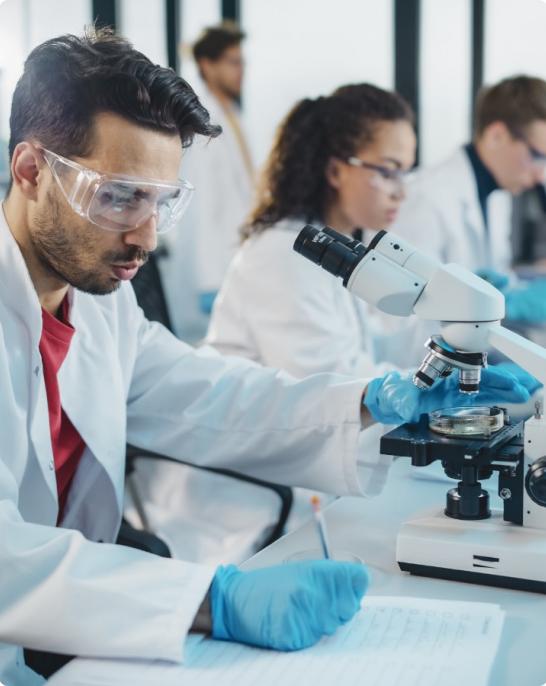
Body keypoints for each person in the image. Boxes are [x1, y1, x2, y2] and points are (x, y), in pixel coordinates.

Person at [0, 29, 530, 686]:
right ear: (29, 170)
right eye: (118, 196)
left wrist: (366, 402)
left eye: (162, 201)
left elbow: (205, 393)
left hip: (71, 620)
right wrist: (208, 602)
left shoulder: (101, 301)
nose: (146, 235)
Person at [206, 83, 416, 377]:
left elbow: (366, 345)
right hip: (265, 421)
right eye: (387, 171)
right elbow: (328, 384)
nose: (400, 192)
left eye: (405, 172)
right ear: (335, 171)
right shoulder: (284, 254)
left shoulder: (336, 244)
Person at [379, 76, 546, 367]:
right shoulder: (425, 199)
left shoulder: (498, 196)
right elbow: (401, 317)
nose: (540, 175)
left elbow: (494, 276)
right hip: (418, 369)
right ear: (496, 135)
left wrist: (510, 291)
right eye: (536, 155)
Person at [159, 22, 255, 343]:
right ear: (206, 65)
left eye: (242, 61)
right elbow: (198, 206)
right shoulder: (200, 120)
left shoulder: (231, 114)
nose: (241, 70)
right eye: (232, 61)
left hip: (234, 257)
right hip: (212, 271)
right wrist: (210, 280)